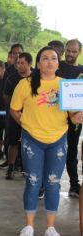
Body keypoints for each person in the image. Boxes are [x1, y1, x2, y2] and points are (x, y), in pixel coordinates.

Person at [10, 46, 83, 236]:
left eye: (53, 58)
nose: (49, 62)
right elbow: (14, 109)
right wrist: (26, 125)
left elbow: (73, 114)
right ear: (38, 63)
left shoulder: (65, 85)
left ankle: (50, 227)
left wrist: (76, 118)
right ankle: (29, 226)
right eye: (45, 58)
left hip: (58, 139)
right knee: (33, 182)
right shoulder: (25, 84)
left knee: (53, 183)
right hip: (32, 140)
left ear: (59, 63)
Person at [56, 39, 83, 198]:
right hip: (54, 119)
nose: (70, 54)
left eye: (74, 51)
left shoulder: (82, 71)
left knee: (72, 153)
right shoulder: (56, 67)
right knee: (54, 152)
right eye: (68, 50)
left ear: (79, 52)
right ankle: (49, 185)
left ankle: (74, 185)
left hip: (75, 120)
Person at [1, 52, 32, 178]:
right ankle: (11, 167)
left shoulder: (36, 77)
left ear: (30, 64)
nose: (19, 66)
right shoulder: (11, 78)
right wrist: (16, 108)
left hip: (32, 117)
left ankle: (27, 168)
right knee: (13, 142)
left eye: (22, 63)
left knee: (29, 143)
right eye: (17, 63)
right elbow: (6, 96)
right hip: (14, 116)